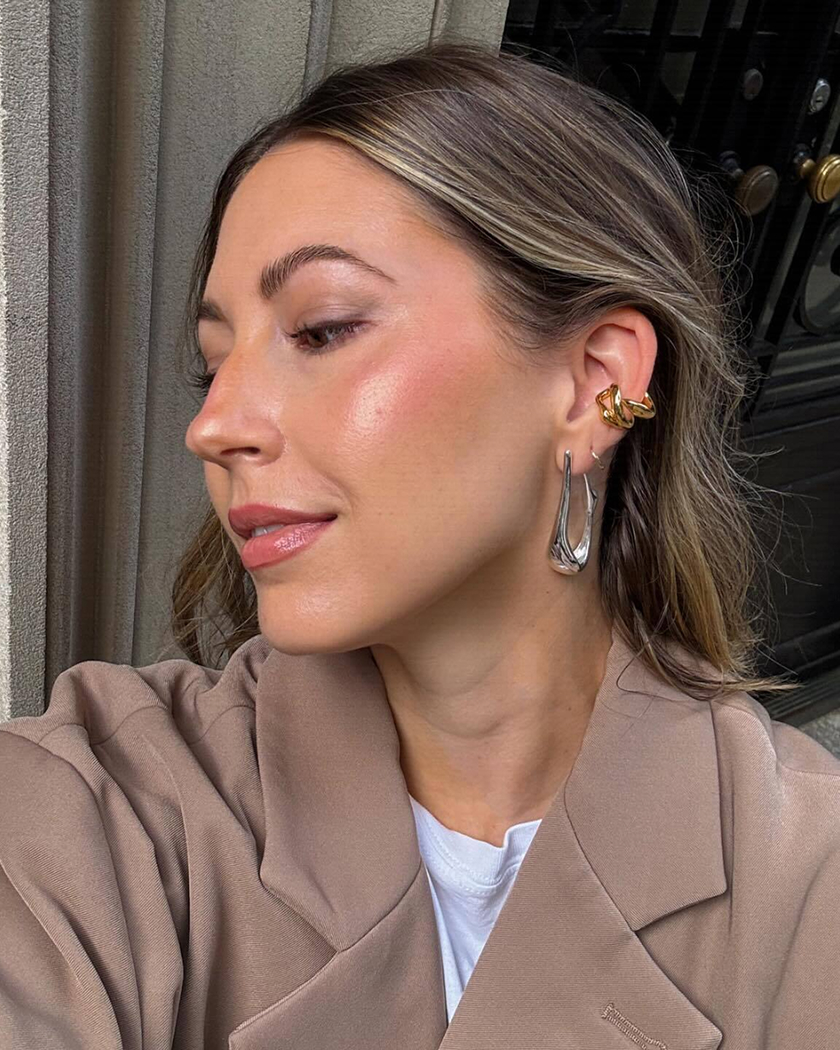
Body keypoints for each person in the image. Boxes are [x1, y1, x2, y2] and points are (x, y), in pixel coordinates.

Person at [1, 39, 839, 1050]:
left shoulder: (806, 877)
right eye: (212, 367)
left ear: (592, 381)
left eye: (322, 327)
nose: (214, 426)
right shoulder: (100, 805)